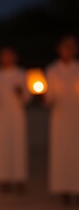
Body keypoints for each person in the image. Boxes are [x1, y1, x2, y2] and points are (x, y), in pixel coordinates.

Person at [0, 46, 31, 193]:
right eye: (3, 56)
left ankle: (19, 179)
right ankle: (3, 178)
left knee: (18, 145)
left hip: (17, 115)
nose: (6, 59)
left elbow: (28, 97)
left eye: (9, 56)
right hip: (0, 116)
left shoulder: (21, 74)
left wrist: (21, 93)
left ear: (14, 57)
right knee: (1, 145)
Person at [46, 35, 79, 205]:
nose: (68, 50)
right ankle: (64, 188)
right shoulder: (52, 70)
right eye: (65, 47)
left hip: (76, 117)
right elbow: (49, 97)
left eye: (71, 47)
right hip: (60, 117)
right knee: (62, 151)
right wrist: (43, 96)